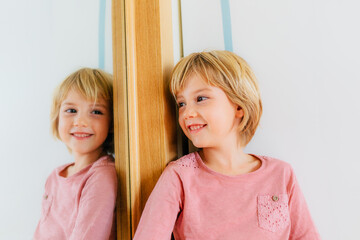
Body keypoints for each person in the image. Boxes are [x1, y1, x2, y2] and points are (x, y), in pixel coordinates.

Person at [133, 51, 320, 240]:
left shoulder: (281, 174)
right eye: (181, 103)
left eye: (200, 99)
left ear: (239, 106)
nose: (187, 113)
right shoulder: (179, 176)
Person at [33, 68, 117, 240]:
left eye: (96, 112)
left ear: (111, 123)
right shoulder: (54, 177)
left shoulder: (101, 176)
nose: (80, 122)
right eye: (71, 111)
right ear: (57, 118)